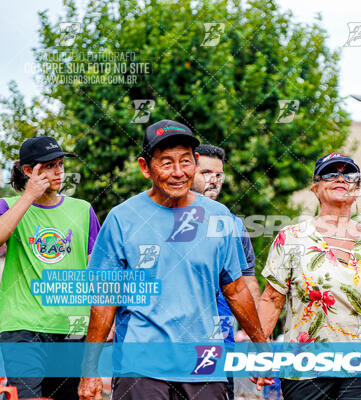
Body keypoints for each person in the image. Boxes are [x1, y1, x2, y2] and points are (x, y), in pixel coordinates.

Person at [77, 120, 269, 400]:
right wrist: (90, 368)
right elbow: (105, 301)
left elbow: (235, 288)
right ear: (146, 167)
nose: (178, 172)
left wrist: (260, 344)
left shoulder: (219, 216)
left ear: (194, 162)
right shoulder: (122, 218)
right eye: (166, 163)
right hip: (141, 368)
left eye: (185, 162)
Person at [257, 153, 361, 399]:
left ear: (356, 189)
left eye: (349, 174)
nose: (340, 178)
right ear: (316, 187)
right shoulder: (291, 238)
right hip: (306, 367)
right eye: (331, 173)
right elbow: (271, 299)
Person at [0, 137, 101, 399]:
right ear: (27, 171)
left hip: (70, 325)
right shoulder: (8, 206)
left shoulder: (83, 210)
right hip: (22, 325)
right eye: (48, 166)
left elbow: (95, 272)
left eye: (60, 164)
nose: (58, 172)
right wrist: (29, 196)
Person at [191, 144, 260, 400]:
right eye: (206, 172)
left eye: (219, 174)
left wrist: (258, 339)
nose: (214, 180)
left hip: (218, 347)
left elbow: (248, 284)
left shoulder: (233, 224)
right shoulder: (162, 217)